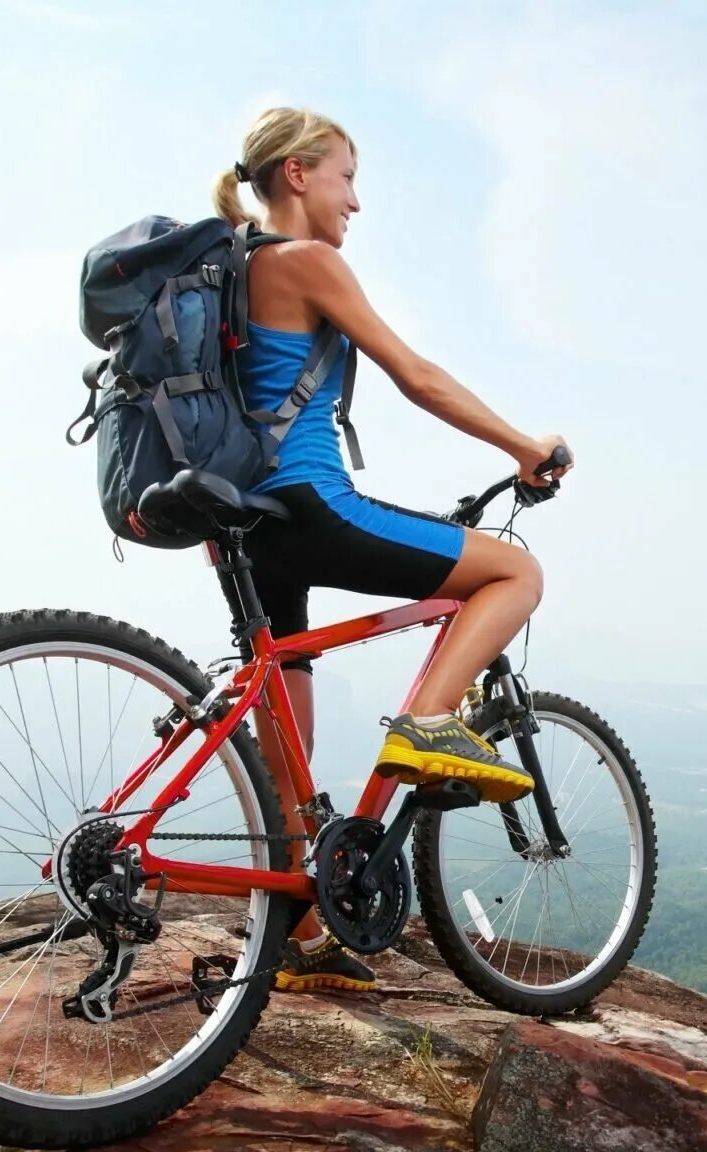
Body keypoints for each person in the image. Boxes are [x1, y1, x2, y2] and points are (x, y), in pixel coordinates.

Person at [213, 107, 572, 993]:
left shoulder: (228, 269)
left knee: (286, 727)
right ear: (297, 174)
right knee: (514, 570)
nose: (356, 203)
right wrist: (524, 447)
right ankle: (427, 723)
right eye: (345, 177)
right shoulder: (306, 263)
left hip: (238, 526)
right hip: (307, 504)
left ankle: (297, 931)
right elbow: (419, 377)